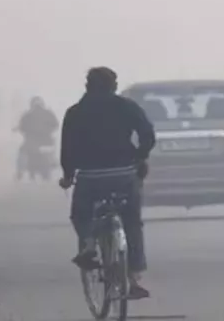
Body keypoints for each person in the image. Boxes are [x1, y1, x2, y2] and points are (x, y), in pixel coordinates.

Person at [59, 67, 156, 300]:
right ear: (114, 86)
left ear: (87, 86)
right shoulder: (127, 107)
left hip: (90, 177)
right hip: (124, 173)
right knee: (132, 221)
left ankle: (89, 245)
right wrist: (139, 157)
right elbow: (148, 135)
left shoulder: (75, 112)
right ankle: (133, 277)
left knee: (81, 215)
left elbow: (68, 149)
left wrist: (68, 175)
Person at [15, 96, 59, 177]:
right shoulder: (48, 113)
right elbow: (56, 124)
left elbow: (22, 127)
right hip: (45, 140)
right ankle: (53, 162)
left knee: (22, 152)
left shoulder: (28, 114)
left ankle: (20, 172)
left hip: (33, 141)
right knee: (51, 152)